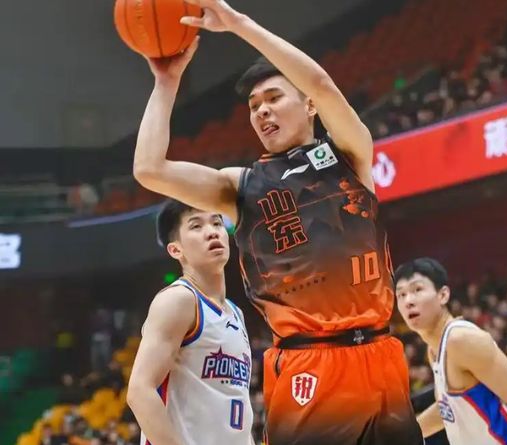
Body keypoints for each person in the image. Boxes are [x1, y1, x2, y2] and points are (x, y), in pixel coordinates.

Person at [132, 1, 423, 444]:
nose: (261, 111)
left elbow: (322, 83)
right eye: (253, 106)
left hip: (381, 354)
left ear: (309, 105)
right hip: (310, 364)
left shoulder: (348, 155)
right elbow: (149, 169)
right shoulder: (241, 186)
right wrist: (166, 82)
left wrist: (240, 25)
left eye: (273, 98)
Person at [394, 257, 507, 445]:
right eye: (401, 295)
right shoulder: (434, 349)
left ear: (443, 295)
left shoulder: (461, 339)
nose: (408, 301)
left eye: (417, 290)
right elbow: (448, 410)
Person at [126, 200, 254, 445]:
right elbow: (140, 391)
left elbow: (236, 404)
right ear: (176, 250)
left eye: (217, 222)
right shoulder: (179, 300)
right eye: (196, 226)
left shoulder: (236, 314)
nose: (212, 232)